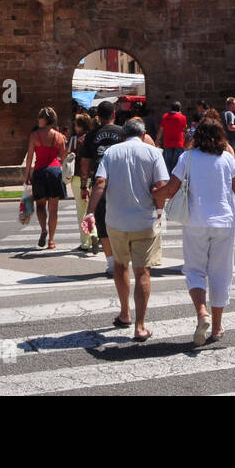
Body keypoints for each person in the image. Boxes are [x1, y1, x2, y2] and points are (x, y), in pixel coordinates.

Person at [153, 119, 235, 346]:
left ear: (196, 136)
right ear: (220, 136)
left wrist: (153, 195)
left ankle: (201, 313)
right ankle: (216, 327)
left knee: (194, 270)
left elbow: (171, 190)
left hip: (195, 222)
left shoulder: (186, 158)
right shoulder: (227, 159)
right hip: (224, 223)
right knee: (221, 274)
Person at [85, 119, 170, 341]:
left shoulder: (112, 153)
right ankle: (140, 327)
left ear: (123, 136)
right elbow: (161, 187)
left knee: (120, 266)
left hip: (116, 222)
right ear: (143, 135)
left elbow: (100, 183)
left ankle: (125, 313)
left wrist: (90, 212)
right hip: (145, 221)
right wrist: (159, 212)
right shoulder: (153, 153)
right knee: (142, 272)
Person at [80, 100, 126, 274]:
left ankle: (111, 263)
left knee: (103, 225)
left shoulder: (91, 135)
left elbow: (84, 162)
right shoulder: (123, 132)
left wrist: (83, 185)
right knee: (122, 221)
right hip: (121, 183)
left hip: (100, 184)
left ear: (98, 117)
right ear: (114, 114)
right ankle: (122, 259)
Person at [23, 107, 68, 250]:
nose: (38, 120)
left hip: (40, 171)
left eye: (39, 118)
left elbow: (30, 156)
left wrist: (27, 175)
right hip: (55, 171)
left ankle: (43, 230)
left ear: (43, 119)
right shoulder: (59, 136)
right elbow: (64, 157)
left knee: (40, 206)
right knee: (53, 209)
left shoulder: (35, 135)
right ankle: (52, 241)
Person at [70, 112, 95, 251]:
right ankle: (94, 234)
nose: (74, 126)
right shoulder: (93, 138)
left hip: (79, 177)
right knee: (92, 209)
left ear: (79, 126)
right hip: (93, 177)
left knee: (81, 210)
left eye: (75, 124)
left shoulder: (76, 140)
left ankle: (85, 242)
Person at [159, 101, 188, 172]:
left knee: (167, 162)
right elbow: (185, 129)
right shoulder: (182, 117)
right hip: (179, 142)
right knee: (178, 162)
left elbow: (161, 130)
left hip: (167, 142)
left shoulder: (165, 116)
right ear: (179, 108)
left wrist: (157, 141)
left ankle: (168, 177)